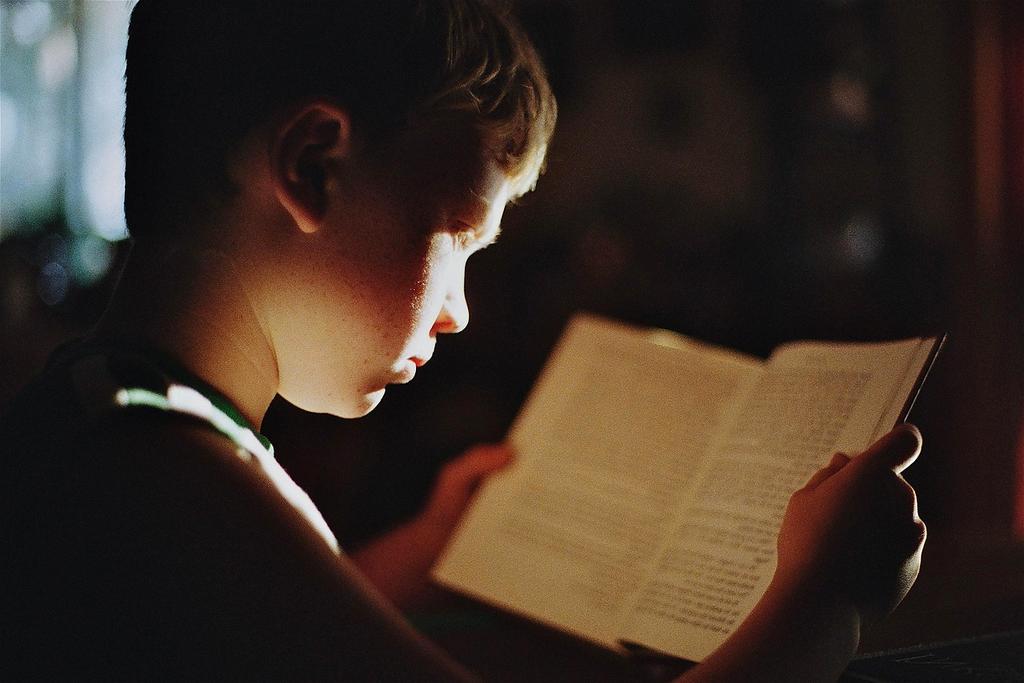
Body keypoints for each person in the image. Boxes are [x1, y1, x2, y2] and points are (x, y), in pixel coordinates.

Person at [0, 1, 925, 680]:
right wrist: (820, 600)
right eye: (456, 239)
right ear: (313, 166)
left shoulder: (111, 414)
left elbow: (254, 635)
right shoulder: (167, 473)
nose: (459, 311)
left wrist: (429, 546)